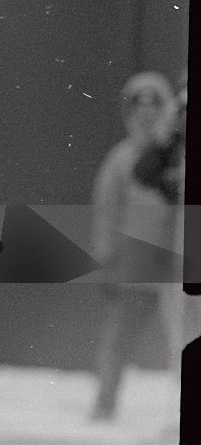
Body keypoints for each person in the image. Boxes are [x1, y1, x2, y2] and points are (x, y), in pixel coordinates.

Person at [89, 71, 178, 422]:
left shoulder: (176, 160)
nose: (146, 118)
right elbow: (105, 212)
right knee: (118, 339)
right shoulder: (121, 159)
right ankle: (105, 404)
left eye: (154, 109)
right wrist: (104, 259)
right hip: (136, 267)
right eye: (138, 109)